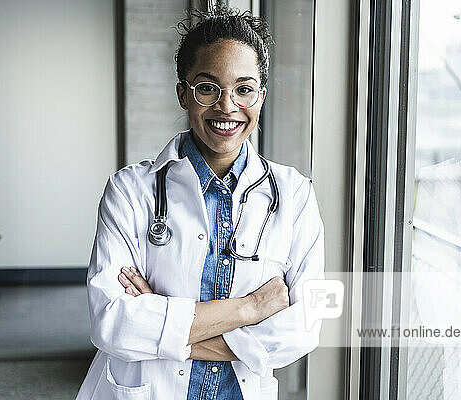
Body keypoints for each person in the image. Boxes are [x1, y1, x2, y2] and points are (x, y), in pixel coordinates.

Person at [75, 6, 324, 400]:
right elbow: (111, 323)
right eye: (207, 87)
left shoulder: (293, 194)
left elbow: (305, 326)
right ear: (183, 93)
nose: (227, 106)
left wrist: (160, 319)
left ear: (262, 96)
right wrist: (250, 308)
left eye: (244, 89)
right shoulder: (129, 191)